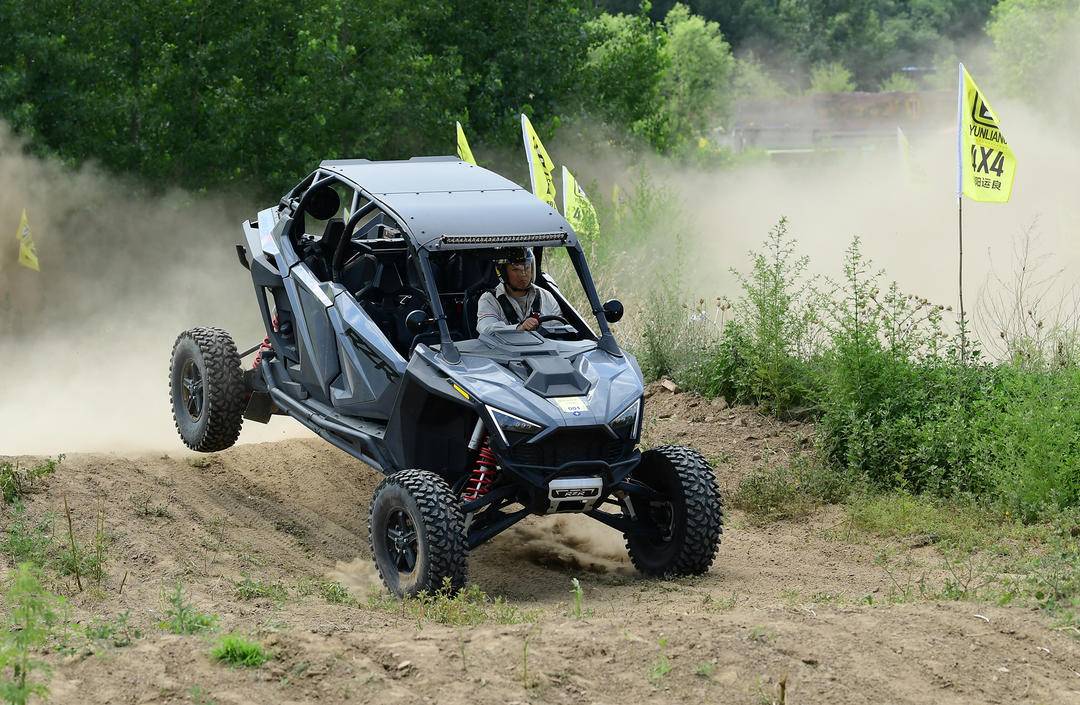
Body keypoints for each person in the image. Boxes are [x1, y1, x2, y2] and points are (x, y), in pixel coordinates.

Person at [476, 247, 561, 335]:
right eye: (516, 269)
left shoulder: (546, 296)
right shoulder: (489, 300)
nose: (523, 274)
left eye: (527, 267)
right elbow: (487, 330)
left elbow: (560, 330)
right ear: (503, 272)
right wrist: (519, 328)